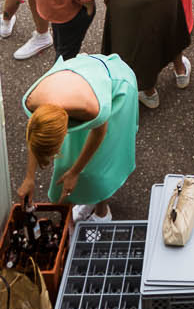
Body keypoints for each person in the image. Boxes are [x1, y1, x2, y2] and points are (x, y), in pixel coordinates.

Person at [19, 52, 140, 224]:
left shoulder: (88, 108)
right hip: (81, 79)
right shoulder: (33, 102)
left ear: (64, 131)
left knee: (101, 161)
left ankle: (101, 212)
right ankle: (89, 197)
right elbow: (35, 134)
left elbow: (99, 133)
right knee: (71, 157)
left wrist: (75, 172)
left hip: (117, 84)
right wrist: (29, 178)